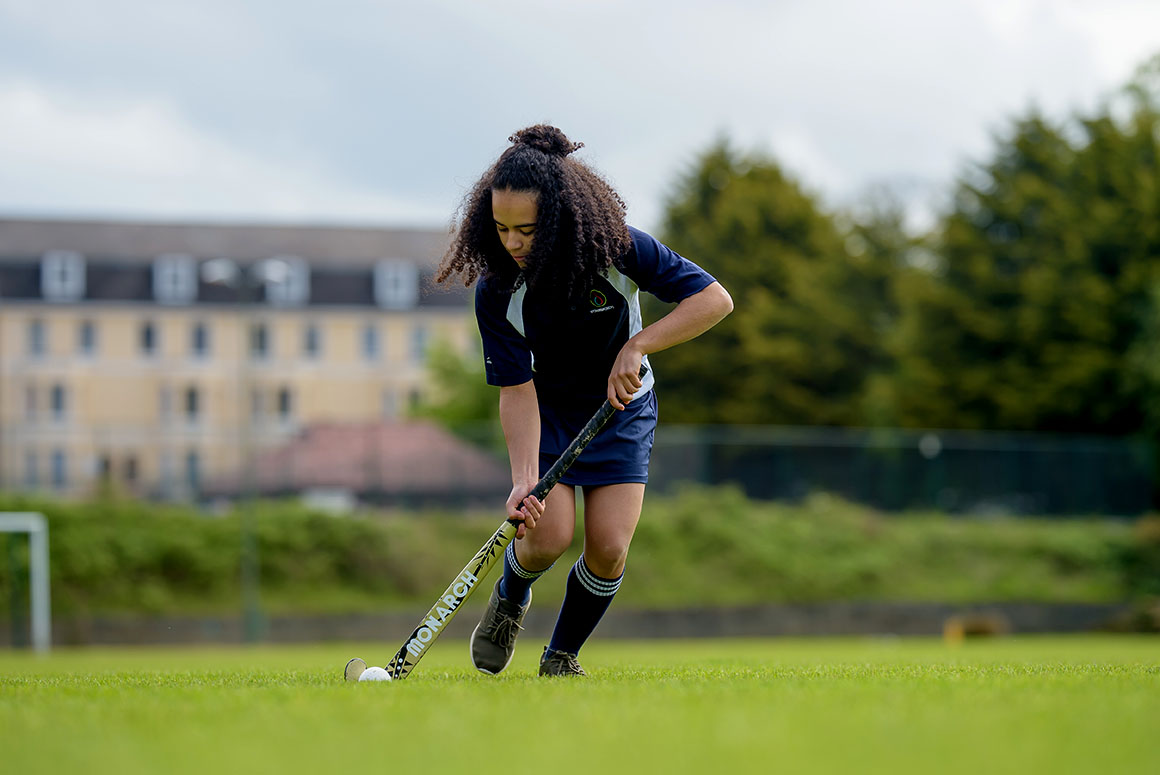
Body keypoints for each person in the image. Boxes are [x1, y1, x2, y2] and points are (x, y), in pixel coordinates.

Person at [435, 125, 733, 677]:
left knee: (609, 548)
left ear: (559, 218)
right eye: (500, 229)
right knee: (548, 537)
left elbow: (714, 299)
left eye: (526, 229)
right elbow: (515, 388)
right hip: (548, 413)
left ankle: (560, 658)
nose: (513, 243)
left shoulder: (617, 248)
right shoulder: (499, 289)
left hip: (620, 408)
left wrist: (638, 345)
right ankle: (510, 593)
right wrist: (524, 478)